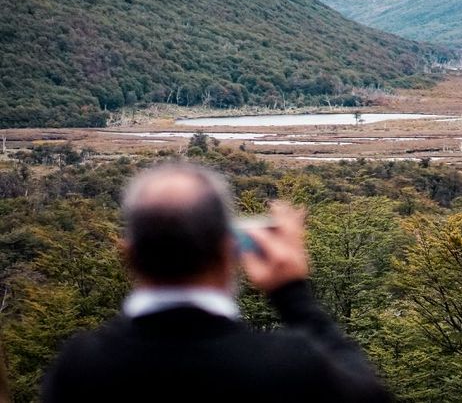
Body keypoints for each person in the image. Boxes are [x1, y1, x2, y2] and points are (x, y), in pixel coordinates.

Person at [42, 162, 393, 402]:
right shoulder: (285, 367)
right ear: (230, 251)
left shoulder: (81, 367)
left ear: (129, 254)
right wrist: (292, 294)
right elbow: (368, 393)